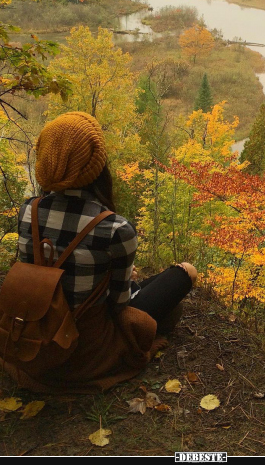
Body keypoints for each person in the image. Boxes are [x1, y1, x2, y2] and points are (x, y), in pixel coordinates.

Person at [14, 111, 197, 392]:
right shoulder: (116, 228)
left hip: (35, 326)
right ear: (97, 166)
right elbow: (118, 304)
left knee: (148, 284)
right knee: (185, 273)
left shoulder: (28, 210)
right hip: (85, 344)